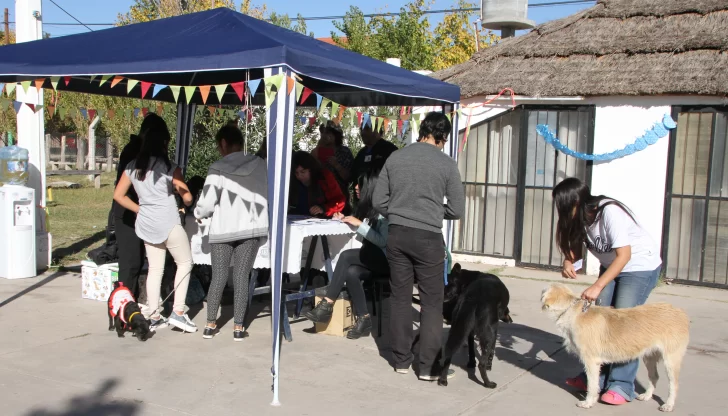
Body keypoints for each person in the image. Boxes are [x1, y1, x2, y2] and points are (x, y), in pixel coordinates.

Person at [552, 177, 662, 406]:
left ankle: (621, 385)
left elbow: (625, 256)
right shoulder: (581, 218)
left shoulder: (609, 212)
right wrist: (569, 260)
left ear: (576, 203)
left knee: (624, 322)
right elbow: (576, 244)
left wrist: (597, 285)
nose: (561, 212)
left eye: (563, 206)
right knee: (598, 320)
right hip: (612, 265)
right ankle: (595, 378)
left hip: (638, 267)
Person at [373, 112, 465, 381]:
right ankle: (426, 367)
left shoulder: (396, 157)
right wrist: (436, 211)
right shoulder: (446, 164)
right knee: (432, 303)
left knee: (400, 298)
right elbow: (457, 209)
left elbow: (379, 201)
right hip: (428, 238)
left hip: (398, 234)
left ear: (421, 130)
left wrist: (400, 212)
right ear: (442, 137)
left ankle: (400, 361)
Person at [113, 114, 197, 333]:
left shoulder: (132, 166)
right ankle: (178, 312)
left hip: (146, 223)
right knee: (185, 263)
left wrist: (140, 209)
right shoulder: (169, 167)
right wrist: (186, 199)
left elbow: (119, 196)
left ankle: (154, 313)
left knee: (155, 268)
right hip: (168, 221)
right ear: (164, 142)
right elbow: (186, 196)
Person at [194, 123, 268, 341]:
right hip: (251, 228)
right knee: (241, 277)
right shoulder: (260, 165)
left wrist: (199, 212)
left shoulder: (217, 167)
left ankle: (209, 324)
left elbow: (206, 204)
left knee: (219, 276)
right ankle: (238, 327)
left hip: (223, 229)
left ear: (224, 143)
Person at [303, 166, 388, 339]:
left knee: (346, 256)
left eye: (360, 185)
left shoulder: (384, 211)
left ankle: (327, 305)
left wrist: (359, 225)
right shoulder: (368, 209)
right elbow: (367, 238)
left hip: (388, 262)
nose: (356, 188)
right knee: (351, 272)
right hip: (374, 259)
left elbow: (382, 242)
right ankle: (364, 320)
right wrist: (344, 220)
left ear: (370, 188)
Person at [112, 127, 145, 299]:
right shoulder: (134, 153)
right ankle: (123, 304)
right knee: (130, 263)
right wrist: (141, 209)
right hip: (126, 214)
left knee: (137, 261)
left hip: (134, 213)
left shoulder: (136, 150)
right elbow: (120, 193)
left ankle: (131, 302)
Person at [290, 150, 345, 218]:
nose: (299, 176)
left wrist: (324, 208)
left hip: (322, 220)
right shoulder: (291, 180)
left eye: (303, 172)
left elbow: (339, 200)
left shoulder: (324, 177)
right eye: (296, 173)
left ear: (311, 169)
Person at [312, 121, 354, 206]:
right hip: (320, 197)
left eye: (327, 132)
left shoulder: (344, 151)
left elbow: (349, 177)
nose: (324, 135)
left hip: (340, 197)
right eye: (322, 132)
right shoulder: (316, 151)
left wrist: (336, 165)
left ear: (335, 135)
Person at [350, 118, 398, 188]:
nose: (362, 133)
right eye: (361, 129)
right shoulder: (361, 153)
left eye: (366, 129)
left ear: (377, 130)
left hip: (382, 196)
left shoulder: (389, 150)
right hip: (363, 197)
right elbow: (353, 175)